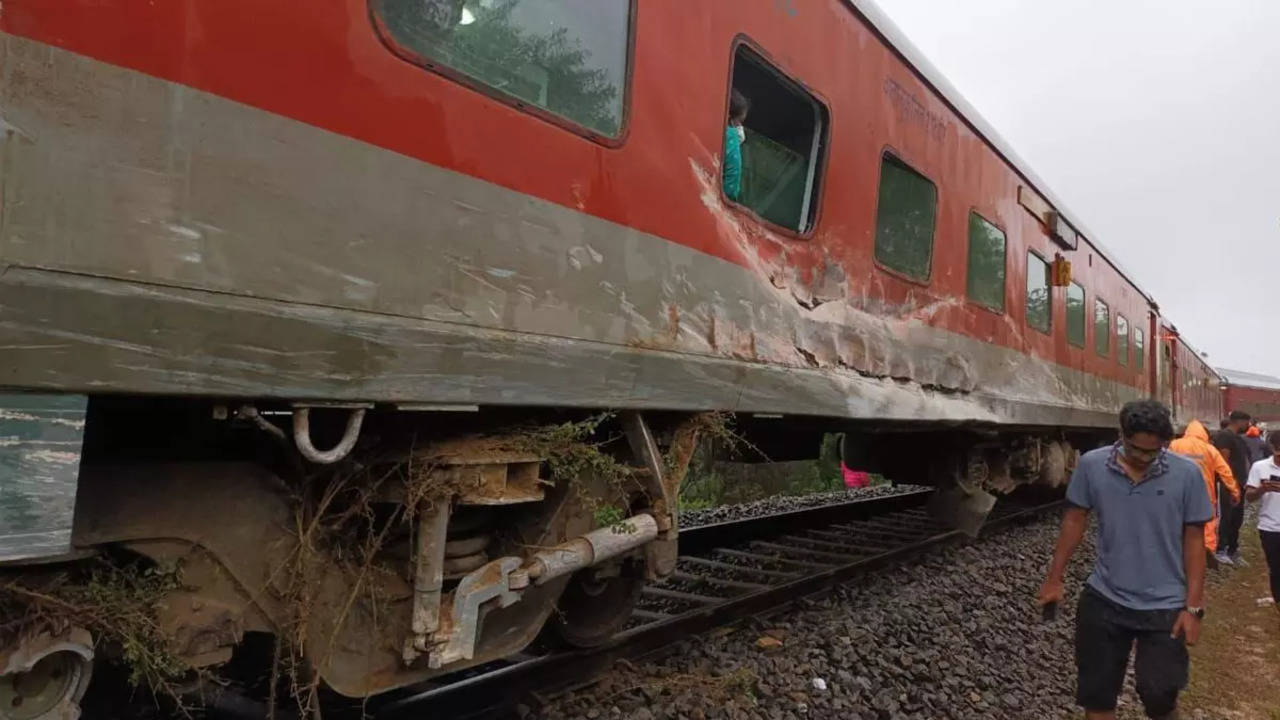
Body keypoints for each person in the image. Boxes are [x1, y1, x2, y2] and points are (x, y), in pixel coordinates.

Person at [1038, 400, 1212, 720]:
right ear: (1122, 435)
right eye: (1136, 450)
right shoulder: (1092, 466)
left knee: (1159, 694)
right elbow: (1075, 519)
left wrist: (1193, 607)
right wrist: (1054, 578)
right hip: (1105, 598)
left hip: (1166, 605)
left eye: (1153, 452)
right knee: (1098, 695)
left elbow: (1194, 540)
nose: (1144, 458)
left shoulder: (1187, 474)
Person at [1169, 420, 1240, 558]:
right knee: (1207, 522)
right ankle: (1207, 552)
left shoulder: (1174, 445)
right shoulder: (1209, 449)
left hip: (1178, 492)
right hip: (1204, 492)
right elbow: (1225, 471)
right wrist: (1234, 491)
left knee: (1178, 521)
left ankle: (1180, 552)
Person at [1212, 411, 1252, 565]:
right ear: (1240, 421)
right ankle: (1222, 549)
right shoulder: (1225, 437)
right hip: (1229, 485)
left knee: (1237, 518)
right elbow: (1223, 462)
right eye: (1246, 422)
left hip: (1239, 484)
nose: (1248, 426)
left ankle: (1233, 550)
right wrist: (1230, 484)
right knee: (1227, 517)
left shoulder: (1237, 439)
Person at [1246, 431, 1280, 612]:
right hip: (1270, 527)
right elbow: (1249, 497)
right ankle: (1278, 602)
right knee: (1276, 567)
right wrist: (1262, 489)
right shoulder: (1259, 467)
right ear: (1272, 449)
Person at [722, 90, 749, 202]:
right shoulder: (731, 138)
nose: (740, 126)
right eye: (739, 121)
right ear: (729, 117)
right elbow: (731, 189)